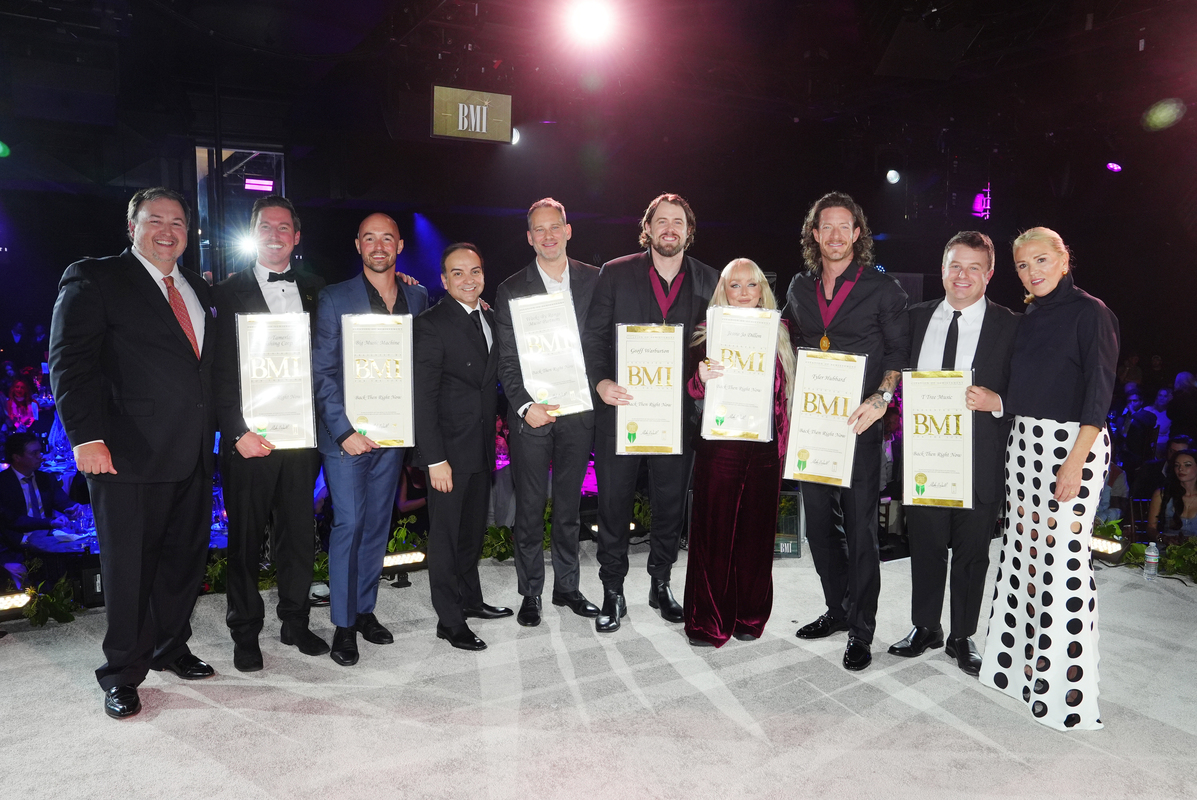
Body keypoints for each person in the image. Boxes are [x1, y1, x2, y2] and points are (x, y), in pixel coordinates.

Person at [49, 186, 218, 720]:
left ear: (188, 234)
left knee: (181, 563)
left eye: (178, 223)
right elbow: (70, 364)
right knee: (127, 570)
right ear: (132, 227)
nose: (167, 231)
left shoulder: (195, 285)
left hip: (191, 452)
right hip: (124, 454)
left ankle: (170, 647)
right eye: (155, 221)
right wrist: (85, 437)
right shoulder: (94, 276)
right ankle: (121, 673)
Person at [978, 226, 1119, 731]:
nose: (1033, 272)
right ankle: (1028, 669)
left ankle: (1069, 688)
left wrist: (1076, 459)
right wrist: (997, 403)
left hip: (1069, 447)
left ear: (1064, 258)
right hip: (1025, 444)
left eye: (1041, 260)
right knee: (1025, 555)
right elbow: (1032, 387)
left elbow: (1098, 394)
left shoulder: (1092, 312)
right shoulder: (1031, 316)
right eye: (1022, 265)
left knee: (1064, 561)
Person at [781, 192, 910, 671]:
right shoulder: (798, 286)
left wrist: (881, 400)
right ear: (815, 234)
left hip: (861, 423)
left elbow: (897, 355)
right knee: (818, 526)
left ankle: (862, 629)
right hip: (813, 424)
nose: (834, 236)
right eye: (825, 227)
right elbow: (785, 341)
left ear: (858, 234)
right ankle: (837, 610)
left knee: (860, 530)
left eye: (844, 227)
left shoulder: (884, 290)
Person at [581, 193, 719, 632]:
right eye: (662, 221)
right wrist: (600, 382)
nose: (670, 229)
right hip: (621, 413)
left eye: (678, 221)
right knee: (614, 506)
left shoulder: (709, 280)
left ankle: (661, 584)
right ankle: (612, 592)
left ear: (688, 231)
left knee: (670, 507)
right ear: (648, 228)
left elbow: (716, 345)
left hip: (677, 418)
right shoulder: (616, 273)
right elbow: (593, 339)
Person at [887, 232, 1019, 676]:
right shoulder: (915, 317)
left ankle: (962, 635)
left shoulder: (1011, 325)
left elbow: (1030, 388)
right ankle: (925, 627)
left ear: (989, 274)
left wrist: (997, 402)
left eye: (973, 268)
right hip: (927, 458)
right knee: (924, 547)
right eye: (955, 266)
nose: (963, 275)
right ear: (942, 270)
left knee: (971, 555)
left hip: (980, 462)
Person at [212, 195, 329, 671]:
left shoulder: (319, 290)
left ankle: (295, 621)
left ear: (296, 237)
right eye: (266, 227)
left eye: (285, 227)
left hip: (302, 439)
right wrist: (235, 431)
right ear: (253, 233)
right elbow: (214, 371)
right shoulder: (221, 293)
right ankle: (245, 631)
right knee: (244, 538)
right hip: (248, 442)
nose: (276, 235)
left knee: (299, 536)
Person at [312, 213, 428, 666]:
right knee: (349, 524)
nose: (378, 246)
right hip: (347, 438)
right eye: (369, 239)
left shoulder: (418, 296)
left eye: (387, 238)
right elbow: (322, 370)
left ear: (399, 245)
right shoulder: (334, 297)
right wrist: (343, 431)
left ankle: (364, 611)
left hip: (392, 433)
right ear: (357, 245)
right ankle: (342, 625)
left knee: (377, 524)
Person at [494, 198, 601, 626]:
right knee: (530, 507)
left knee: (570, 506)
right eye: (539, 229)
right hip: (532, 416)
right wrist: (523, 406)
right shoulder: (510, 288)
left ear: (568, 229)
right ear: (529, 237)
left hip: (578, 411)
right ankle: (531, 592)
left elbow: (602, 344)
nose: (548, 235)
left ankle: (568, 588)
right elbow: (507, 360)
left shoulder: (596, 280)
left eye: (554, 226)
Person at [683, 258, 794, 647]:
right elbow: (690, 389)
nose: (745, 292)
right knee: (715, 534)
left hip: (765, 448)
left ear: (762, 289)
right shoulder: (706, 331)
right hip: (722, 445)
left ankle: (750, 614)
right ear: (723, 290)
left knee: (756, 536)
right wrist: (700, 376)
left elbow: (785, 396)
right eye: (735, 285)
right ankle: (708, 620)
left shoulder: (779, 332)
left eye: (752, 285)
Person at [413, 243, 512, 651]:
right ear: (444, 279)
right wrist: (435, 459)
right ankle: (449, 620)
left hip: (482, 447)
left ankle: (470, 600)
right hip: (448, 453)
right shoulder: (431, 324)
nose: (468, 279)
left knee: (472, 532)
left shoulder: (489, 316)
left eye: (474, 271)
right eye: (458, 273)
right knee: (447, 538)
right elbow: (423, 397)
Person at [0, 432, 81, 584]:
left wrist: (72, 507)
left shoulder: (45, 478)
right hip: (18, 544)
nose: (41, 456)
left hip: (48, 541)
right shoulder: (3, 484)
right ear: (17, 457)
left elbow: (62, 501)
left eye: (40, 451)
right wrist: (49, 522)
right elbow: (13, 520)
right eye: (34, 453)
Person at [1147, 448, 1197, 543]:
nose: (1180, 469)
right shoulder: (1161, 494)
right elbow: (1151, 528)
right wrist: (1163, 538)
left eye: (1187, 465)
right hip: (1167, 550)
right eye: (1177, 465)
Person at [1130, 434, 1194, 500]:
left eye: (1180, 453)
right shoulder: (1149, 468)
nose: (1175, 456)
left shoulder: (1191, 474)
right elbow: (1135, 495)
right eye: (1172, 451)